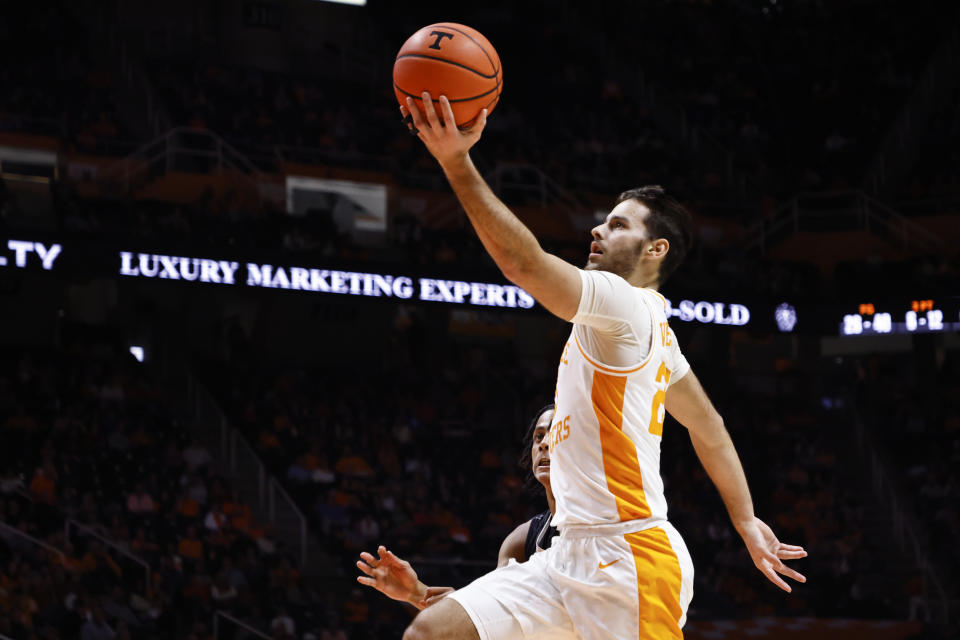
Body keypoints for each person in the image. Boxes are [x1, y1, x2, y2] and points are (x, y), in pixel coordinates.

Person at [398, 93, 808, 640]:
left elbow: (523, 264)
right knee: (431, 633)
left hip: (629, 559)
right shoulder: (657, 334)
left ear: (655, 249)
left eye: (617, 225)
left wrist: (457, 163)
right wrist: (744, 519)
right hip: (566, 552)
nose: (597, 230)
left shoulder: (623, 303)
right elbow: (709, 427)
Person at [356, 405, 557, 609]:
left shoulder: (589, 524)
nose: (544, 444)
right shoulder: (520, 541)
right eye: (539, 436)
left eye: (557, 433)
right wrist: (415, 592)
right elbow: (494, 612)